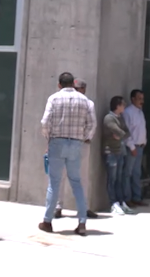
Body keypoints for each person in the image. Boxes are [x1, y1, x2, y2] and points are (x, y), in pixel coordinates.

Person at [40, 72, 97, 235]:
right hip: (76, 143)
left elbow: (45, 122)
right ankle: (82, 222)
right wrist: (84, 137)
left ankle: (47, 221)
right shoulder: (86, 101)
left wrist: (49, 137)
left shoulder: (54, 98)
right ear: (73, 84)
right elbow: (92, 124)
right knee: (76, 182)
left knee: (54, 183)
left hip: (57, 142)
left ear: (59, 85)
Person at [54, 79, 99, 220]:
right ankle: (58, 207)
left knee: (80, 176)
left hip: (75, 143)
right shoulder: (71, 101)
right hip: (72, 142)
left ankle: (81, 208)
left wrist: (85, 138)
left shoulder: (86, 103)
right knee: (63, 175)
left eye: (79, 88)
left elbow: (92, 124)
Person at [103, 96, 135, 215]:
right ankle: (113, 203)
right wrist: (121, 134)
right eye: (123, 104)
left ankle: (121, 202)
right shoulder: (109, 118)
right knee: (112, 179)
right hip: (111, 152)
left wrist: (121, 135)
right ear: (117, 106)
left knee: (119, 178)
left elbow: (127, 132)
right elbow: (119, 131)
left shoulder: (120, 118)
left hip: (120, 151)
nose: (124, 106)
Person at [122, 89, 148, 208]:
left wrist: (144, 141)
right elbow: (126, 132)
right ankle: (127, 198)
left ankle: (137, 197)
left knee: (137, 173)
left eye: (142, 99)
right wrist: (132, 147)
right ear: (133, 99)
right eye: (139, 99)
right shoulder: (128, 112)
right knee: (128, 173)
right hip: (131, 147)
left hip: (140, 146)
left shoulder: (140, 112)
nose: (142, 101)